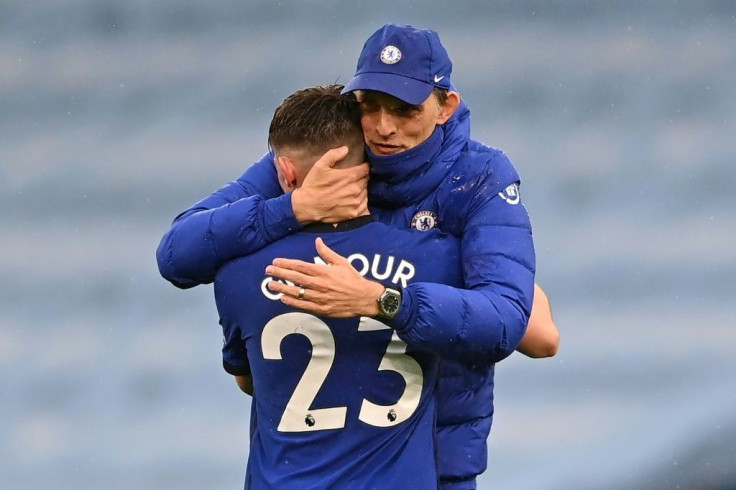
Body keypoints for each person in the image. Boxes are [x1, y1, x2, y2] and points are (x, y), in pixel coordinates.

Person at [157, 24, 558, 489]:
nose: (384, 127)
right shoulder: (332, 156)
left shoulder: (479, 177)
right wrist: (295, 208)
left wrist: (382, 300)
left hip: (437, 452)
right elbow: (175, 254)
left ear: (445, 106)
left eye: (405, 110)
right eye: (370, 105)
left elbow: (513, 321)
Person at [217, 84, 467, 489]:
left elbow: (249, 381)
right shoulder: (437, 258)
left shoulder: (237, 271)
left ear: (284, 171)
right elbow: (535, 335)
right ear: (366, 161)